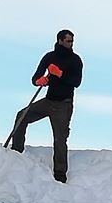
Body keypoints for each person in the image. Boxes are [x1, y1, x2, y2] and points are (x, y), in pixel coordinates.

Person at [10, 29, 83, 183]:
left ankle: (60, 175)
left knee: (60, 138)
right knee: (21, 116)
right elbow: (35, 77)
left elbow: (76, 82)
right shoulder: (49, 57)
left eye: (72, 41)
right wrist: (39, 80)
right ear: (60, 40)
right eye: (68, 41)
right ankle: (16, 153)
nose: (71, 43)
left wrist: (60, 74)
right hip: (48, 101)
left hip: (64, 104)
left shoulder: (76, 60)